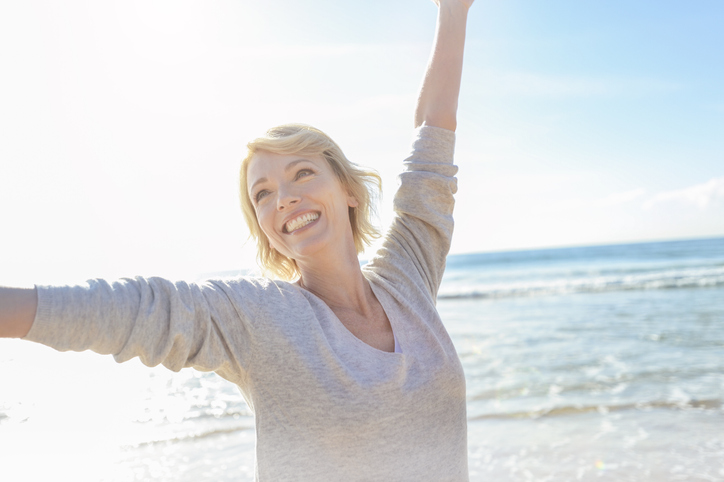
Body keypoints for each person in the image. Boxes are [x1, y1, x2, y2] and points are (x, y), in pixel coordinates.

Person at [0, 0, 474, 479]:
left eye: (302, 173)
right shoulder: (264, 318)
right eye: (263, 194)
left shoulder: (407, 277)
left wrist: (452, 11)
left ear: (348, 191)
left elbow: (433, 139)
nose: (284, 199)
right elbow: (146, 310)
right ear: (264, 226)